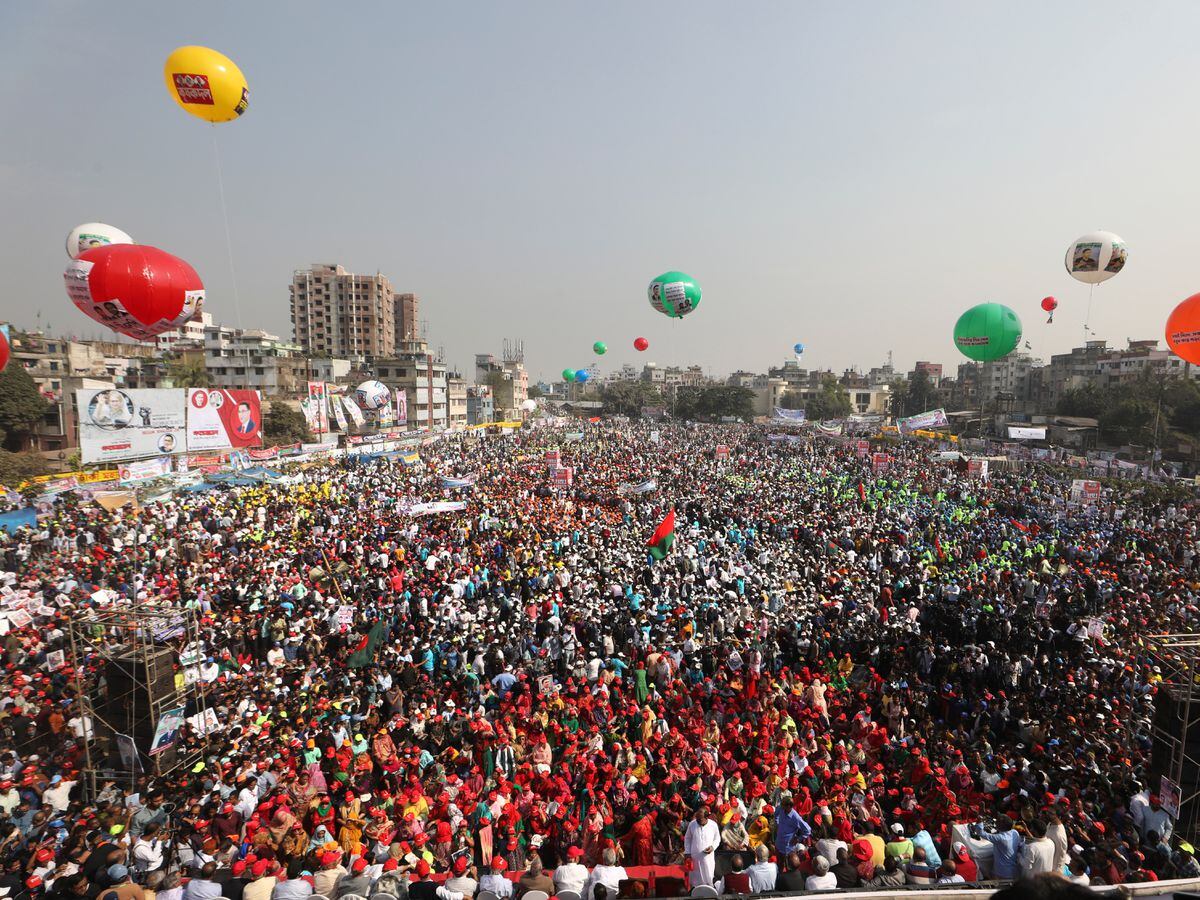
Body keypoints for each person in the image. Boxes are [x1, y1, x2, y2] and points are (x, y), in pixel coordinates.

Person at [682, 807, 720, 888]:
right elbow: (687, 838)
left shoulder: (713, 825)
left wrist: (712, 847)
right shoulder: (692, 824)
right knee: (695, 880)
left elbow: (717, 839)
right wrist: (687, 852)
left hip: (707, 859)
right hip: (695, 858)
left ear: (706, 818)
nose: (698, 821)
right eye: (697, 819)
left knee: (708, 878)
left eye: (700, 820)